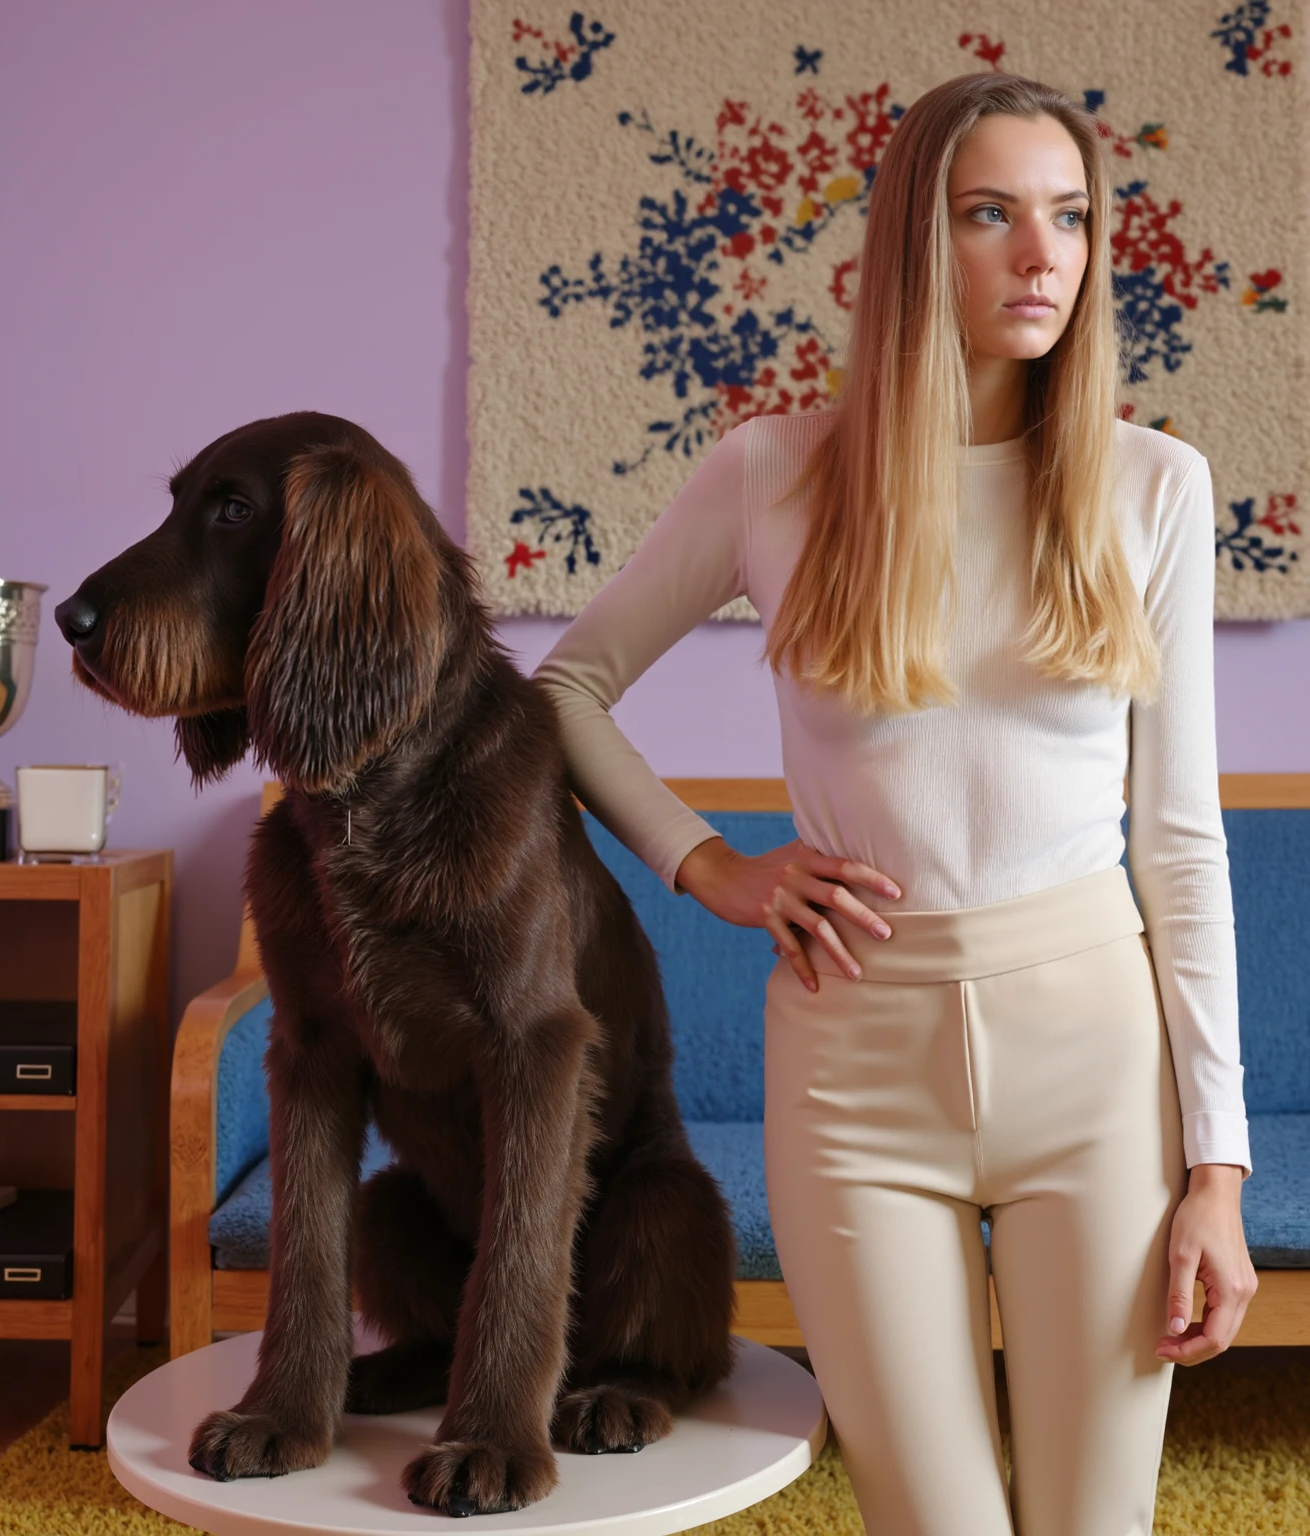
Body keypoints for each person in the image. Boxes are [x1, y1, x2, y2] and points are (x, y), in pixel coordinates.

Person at [533, 70, 1255, 1536]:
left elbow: (1181, 844)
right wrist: (708, 865)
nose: (1042, 254)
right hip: (854, 1069)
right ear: (921, 242)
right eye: (992, 214)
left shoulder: (1155, 488)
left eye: (1068, 217)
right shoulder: (775, 473)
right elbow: (559, 694)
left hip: (1096, 1070)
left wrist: (1218, 1173)